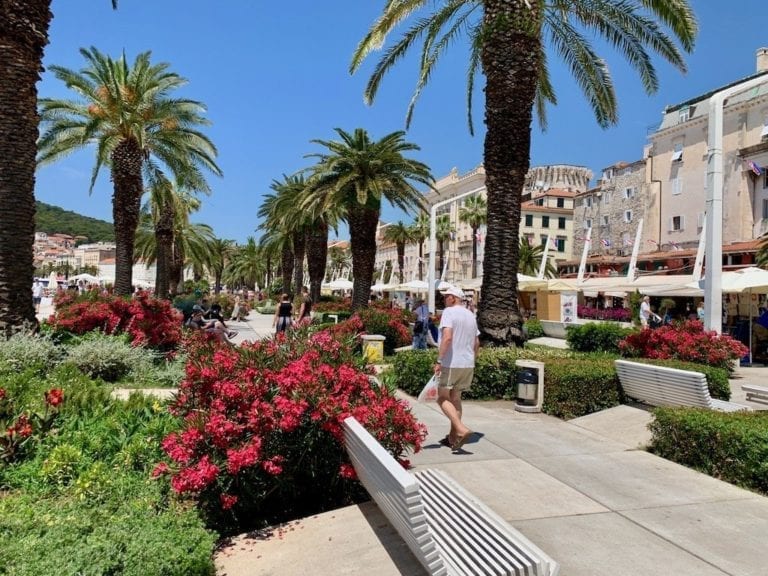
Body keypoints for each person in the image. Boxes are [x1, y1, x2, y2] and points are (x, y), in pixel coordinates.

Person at [433, 286, 479, 453]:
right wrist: (472, 360)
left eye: (446, 297)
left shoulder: (449, 312)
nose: (444, 300)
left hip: (451, 362)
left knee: (442, 397)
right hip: (467, 363)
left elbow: (447, 337)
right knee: (456, 398)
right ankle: (453, 438)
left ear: (453, 298)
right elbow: (477, 343)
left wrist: (439, 360)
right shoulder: (471, 315)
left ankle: (461, 428)